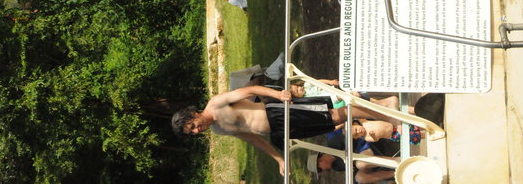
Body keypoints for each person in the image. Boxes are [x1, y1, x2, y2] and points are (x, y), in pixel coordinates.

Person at [171, 86, 401, 176]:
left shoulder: (216, 103)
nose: (196, 130)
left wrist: (278, 94)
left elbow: (249, 90)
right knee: (333, 122)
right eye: (192, 133)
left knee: (334, 115)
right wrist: (279, 159)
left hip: (278, 113)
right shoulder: (219, 129)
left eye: (192, 126)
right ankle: (385, 106)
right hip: (282, 130)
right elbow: (252, 139)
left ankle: (385, 111)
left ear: (193, 114)